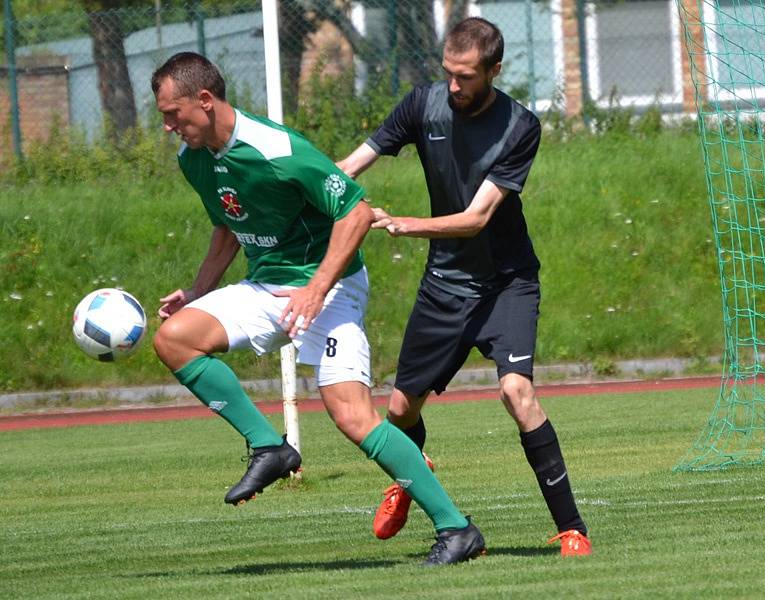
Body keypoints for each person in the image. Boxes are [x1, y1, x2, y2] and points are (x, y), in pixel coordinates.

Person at [150, 52, 486, 566]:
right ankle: (270, 447)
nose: (169, 125)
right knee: (174, 338)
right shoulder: (193, 159)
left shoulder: (279, 150)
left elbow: (354, 212)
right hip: (269, 287)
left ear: (205, 99)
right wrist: (198, 291)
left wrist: (317, 288)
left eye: (174, 113)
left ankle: (457, 530)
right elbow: (228, 227)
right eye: (164, 116)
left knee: (353, 417)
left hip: (332, 289)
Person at [337, 17, 591, 557]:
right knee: (402, 408)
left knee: (516, 392)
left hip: (506, 283)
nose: (454, 87)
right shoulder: (420, 104)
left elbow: (476, 218)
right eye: (449, 74)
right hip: (445, 285)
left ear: (494, 71)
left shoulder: (520, 126)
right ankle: (412, 472)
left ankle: (572, 530)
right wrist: (306, 184)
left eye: (467, 77)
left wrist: (404, 223)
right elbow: (355, 163)